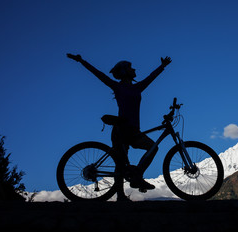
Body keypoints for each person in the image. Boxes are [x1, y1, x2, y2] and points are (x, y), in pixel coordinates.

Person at [67, 53, 172, 201]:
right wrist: (82, 61)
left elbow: (151, 78)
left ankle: (136, 177)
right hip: (121, 130)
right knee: (120, 162)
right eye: (130, 67)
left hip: (133, 130)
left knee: (151, 148)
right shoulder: (117, 87)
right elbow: (99, 74)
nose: (134, 69)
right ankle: (121, 195)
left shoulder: (137, 87)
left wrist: (162, 67)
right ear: (124, 71)